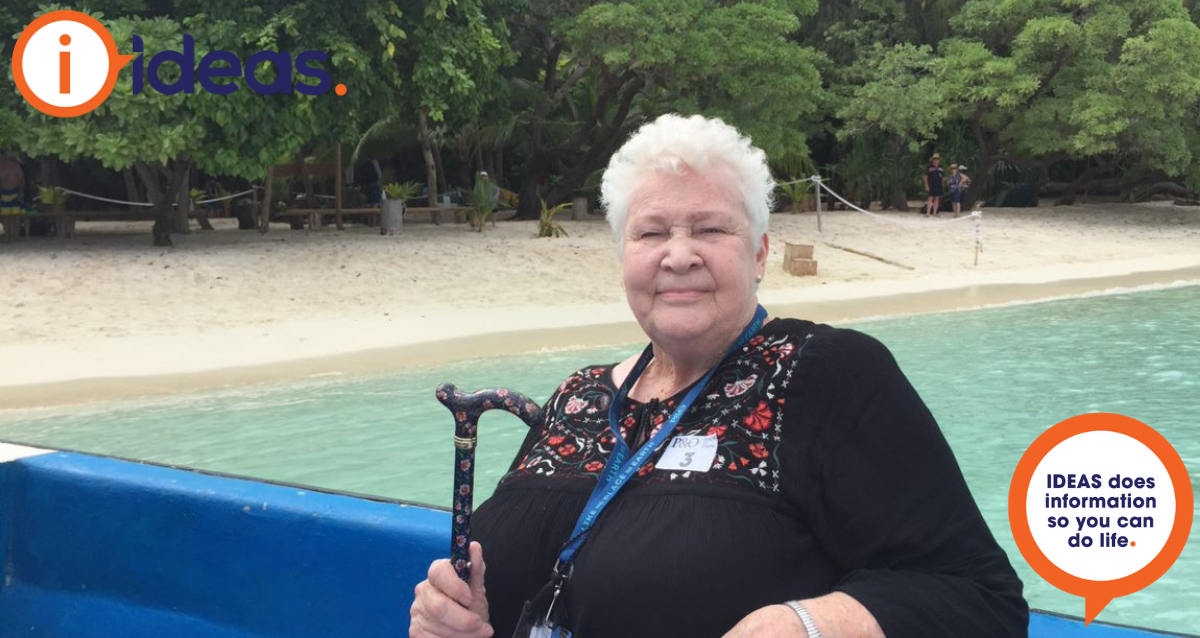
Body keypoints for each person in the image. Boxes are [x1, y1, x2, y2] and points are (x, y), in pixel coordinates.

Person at [410, 114, 1028, 638]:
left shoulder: (826, 373)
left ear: (759, 252)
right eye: (651, 232)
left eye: (709, 229)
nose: (679, 255)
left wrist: (808, 624)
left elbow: (980, 599)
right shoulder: (577, 396)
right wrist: (455, 617)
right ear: (625, 255)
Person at [0, 152, 26, 242]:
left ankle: (15, 235)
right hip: (3, 193)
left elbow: (21, 180)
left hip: (15, 192)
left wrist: (20, 193)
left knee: (15, 216)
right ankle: (8, 235)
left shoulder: (15, 166)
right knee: (5, 216)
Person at [923, 153, 944, 217]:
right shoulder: (929, 167)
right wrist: (926, 185)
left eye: (937, 159)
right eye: (935, 159)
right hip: (931, 185)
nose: (936, 160)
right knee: (930, 198)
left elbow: (942, 177)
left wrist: (943, 184)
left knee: (937, 199)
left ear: (939, 160)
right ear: (932, 160)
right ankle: (928, 213)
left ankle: (935, 213)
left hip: (938, 185)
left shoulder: (941, 168)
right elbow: (925, 176)